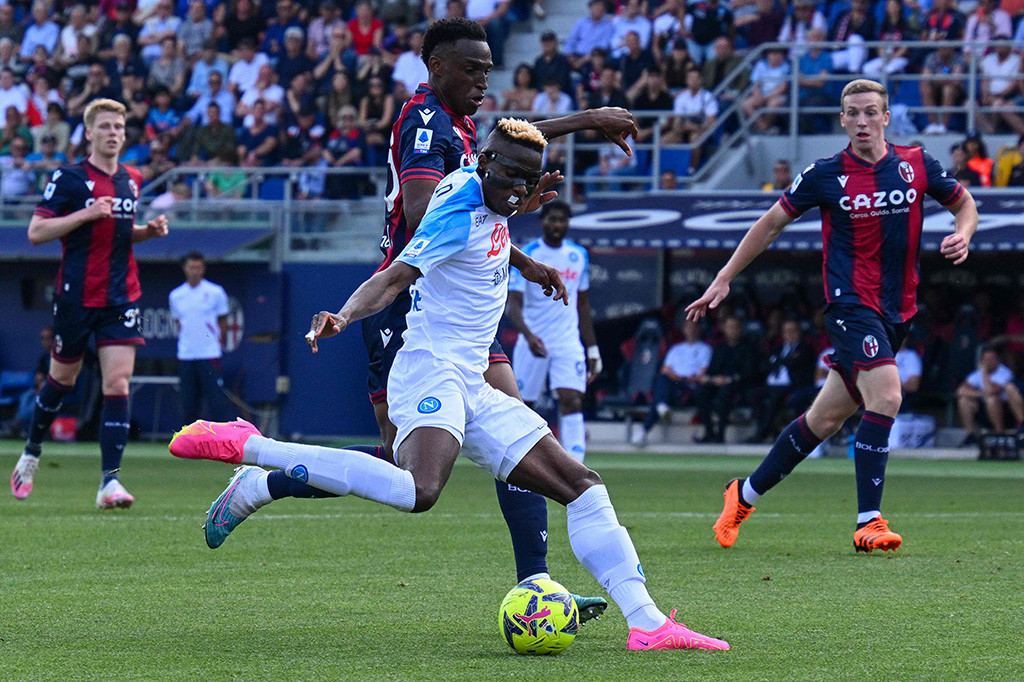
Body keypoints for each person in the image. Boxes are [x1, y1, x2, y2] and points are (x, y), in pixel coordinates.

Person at [169, 118, 729, 652]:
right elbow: (393, 278)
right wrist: (343, 315)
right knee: (418, 490)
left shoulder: (487, 182)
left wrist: (527, 257)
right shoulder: (453, 212)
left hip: (474, 378)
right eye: (510, 179)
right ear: (484, 165)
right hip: (429, 367)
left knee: (582, 484)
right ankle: (249, 445)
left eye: (528, 184)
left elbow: (505, 189)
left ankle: (647, 622)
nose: (518, 192)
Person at [687, 79, 978, 553]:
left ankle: (742, 495)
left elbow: (964, 202)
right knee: (886, 394)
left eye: (870, 112)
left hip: (896, 310)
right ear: (842, 120)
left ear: (886, 117)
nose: (862, 121)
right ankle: (869, 521)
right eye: (853, 114)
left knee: (823, 420)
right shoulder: (825, 173)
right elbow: (771, 223)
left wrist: (963, 233)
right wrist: (724, 277)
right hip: (849, 304)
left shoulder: (917, 164)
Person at [10, 98, 170, 508]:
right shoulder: (68, 178)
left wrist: (145, 233)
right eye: (105, 126)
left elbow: (117, 232)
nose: (114, 132)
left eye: (119, 126)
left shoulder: (132, 179)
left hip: (120, 296)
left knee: (117, 382)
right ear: (89, 133)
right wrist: (83, 215)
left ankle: (109, 483)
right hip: (77, 296)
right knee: (61, 382)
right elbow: (36, 232)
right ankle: (31, 451)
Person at [507, 200, 600, 463]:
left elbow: (582, 305)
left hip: (568, 341)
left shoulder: (579, 254)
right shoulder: (529, 253)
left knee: (572, 401)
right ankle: (521, 460)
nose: (557, 225)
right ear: (543, 221)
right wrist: (527, 335)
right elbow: (513, 305)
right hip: (534, 340)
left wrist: (592, 348)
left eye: (562, 220)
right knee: (526, 406)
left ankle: (575, 464)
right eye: (552, 219)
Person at [169, 252, 231, 425]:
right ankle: (191, 444)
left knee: (216, 400)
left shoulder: (215, 292)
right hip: (187, 355)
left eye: (198, 267)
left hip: (209, 354)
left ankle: (220, 442)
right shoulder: (176, 295)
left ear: (203, 269)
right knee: (188, 403)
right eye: (191, 267)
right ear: (185, 269)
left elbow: (223, 320)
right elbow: (178, 322)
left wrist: (218, 343)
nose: (194, 271)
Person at [632, 318, 711, 445]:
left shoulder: (705, 349)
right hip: (673, 383)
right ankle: (661, 406)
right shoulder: (676, 349)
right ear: (684, 330)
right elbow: (665, 369)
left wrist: (681, 377)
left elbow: (702, 373)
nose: (691, 330)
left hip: (690, 385)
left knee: (659, 399)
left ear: (699, 330)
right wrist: (674, 376)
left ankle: (646, 427)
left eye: (693, 327)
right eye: (688, 327)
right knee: (662, 379)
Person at [692, 316, 758, 443]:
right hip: (718, 382)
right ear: (724, 329)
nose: (732, 330)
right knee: (701, 392)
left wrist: (729, 379)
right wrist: (712, 379)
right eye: (729, 327)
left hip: (737, 384)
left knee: (725, 393)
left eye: (735, 327)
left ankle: (720, 434)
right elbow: (712, 369)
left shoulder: (748, 348)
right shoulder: (720, 347)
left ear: (740, 329)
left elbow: (749, 372)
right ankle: (709, 432)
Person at [956, 346, 1024, 446]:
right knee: (963, 401)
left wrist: (984, 373)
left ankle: (999, 435)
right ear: (982, 360)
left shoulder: (1004, 372)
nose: (989, 362)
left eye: (992, 359)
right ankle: (971, 435)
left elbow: (991, 391)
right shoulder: (977, 374)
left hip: (1006, 412)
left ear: (998, 360)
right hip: (985, 413)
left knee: (991, 399)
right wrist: (981, 394)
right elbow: (961, 390)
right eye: (986, 359)